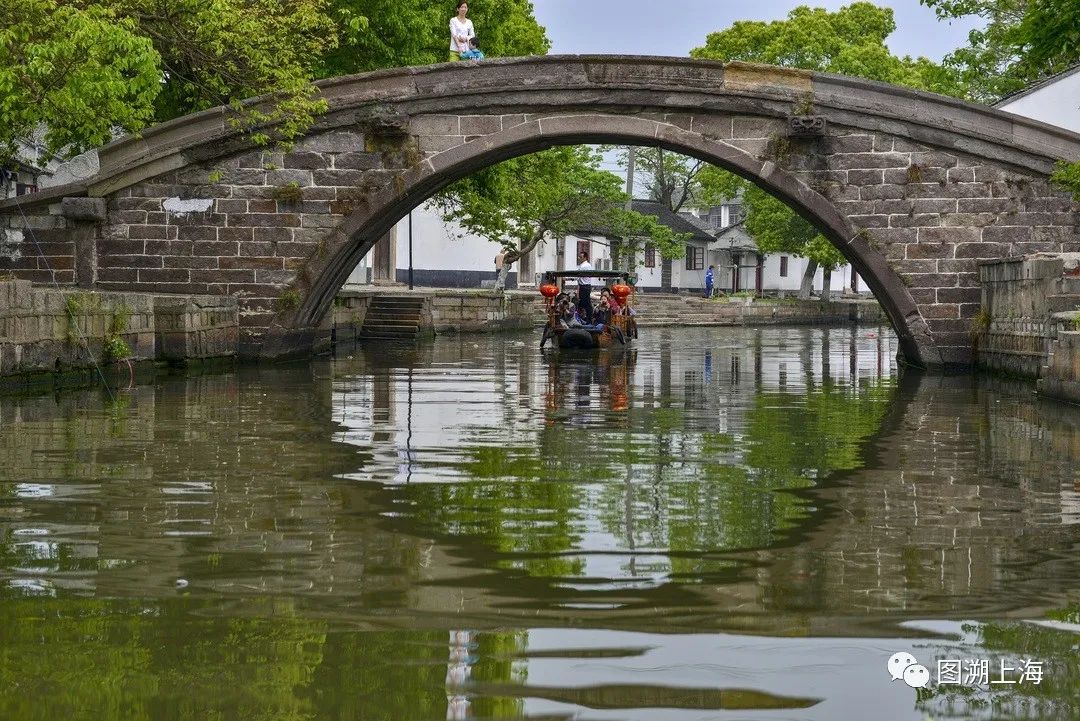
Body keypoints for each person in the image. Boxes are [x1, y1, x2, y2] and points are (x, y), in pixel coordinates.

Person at [576, 251, 595, 324]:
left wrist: (569, 278)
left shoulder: (586, 266)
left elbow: (578, 275)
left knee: (586, 303)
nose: (579, 258)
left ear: (585, 257)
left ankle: (589, 320)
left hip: (585, 286)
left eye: (581, 257)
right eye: (579, 257)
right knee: (581, 303)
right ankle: (583, 318)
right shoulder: (582, 265)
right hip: (582, 286)